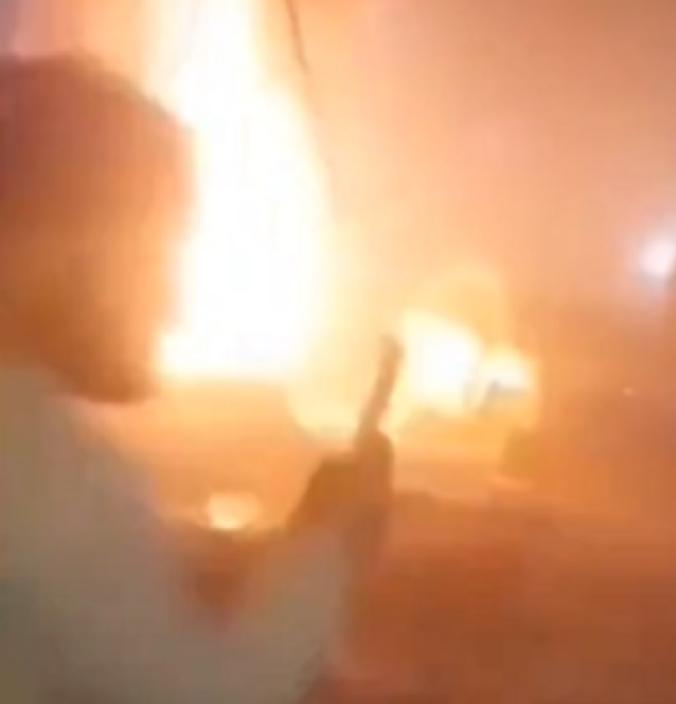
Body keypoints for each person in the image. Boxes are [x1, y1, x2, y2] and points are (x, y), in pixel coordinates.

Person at [0, 55, 391, 702]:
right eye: (155, 255)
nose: (173, 307)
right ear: (65, 249)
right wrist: (327, 556)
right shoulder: (49, 474)